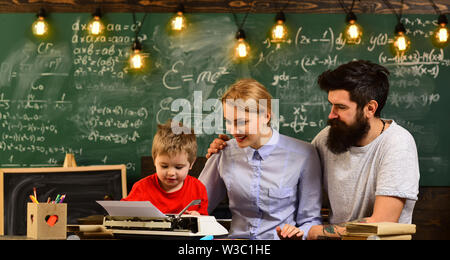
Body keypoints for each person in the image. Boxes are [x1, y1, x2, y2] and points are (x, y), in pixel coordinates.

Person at [206, 60, 420, 240]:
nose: (331, 115)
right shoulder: (326, 139)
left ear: (370, 109)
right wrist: (226, 146)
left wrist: (313, 231)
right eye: (331, 105)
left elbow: (382, 222)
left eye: (341, 107)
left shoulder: (397, 144)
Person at [198, 79, 322, 240]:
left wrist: (298, 233)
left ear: (266, 116)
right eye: (229, 122)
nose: (233, 130)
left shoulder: (304, 154)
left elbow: (311, 220)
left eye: (242, 122)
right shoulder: (224, 152)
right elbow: (197, 207)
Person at [122, 120, 208, 216]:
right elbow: (122, 212)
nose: (171, 173)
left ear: (191, 164)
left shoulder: (198, 189)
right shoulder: (141, 188)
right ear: (154, 161)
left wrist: (198, 217)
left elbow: (205, 222)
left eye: (178, 167)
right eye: (164, 166)